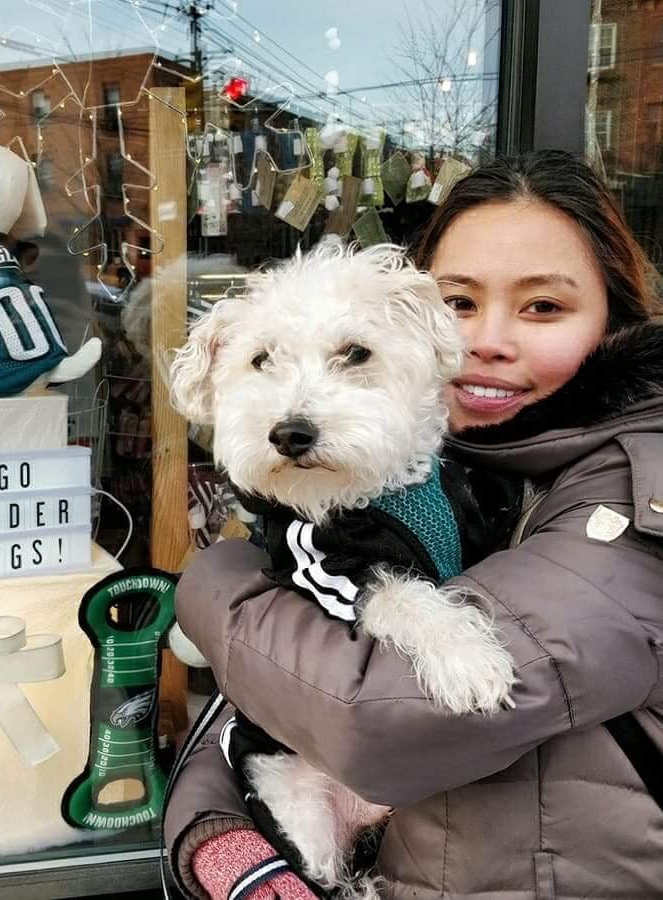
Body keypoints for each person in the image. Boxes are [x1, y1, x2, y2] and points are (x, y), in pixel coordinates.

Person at [162, 150, 663, 900]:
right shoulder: (445, 462)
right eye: (458, 303)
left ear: (619, 323)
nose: (478, 342)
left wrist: (213, 583)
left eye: (543, 307)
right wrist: (219, 840)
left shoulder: (634, 487)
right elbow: (263, 709)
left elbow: (382, 723)